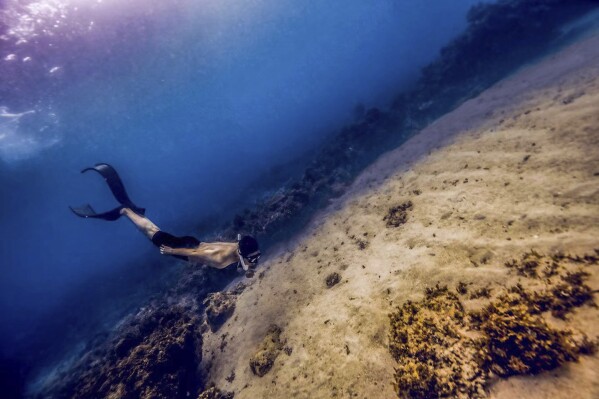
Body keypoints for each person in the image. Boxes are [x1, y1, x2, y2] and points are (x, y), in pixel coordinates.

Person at [69, 163, 260, 277]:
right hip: (186, 248)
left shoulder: (237, 246)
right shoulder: (219, 260)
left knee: (152, 227)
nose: (254, 261)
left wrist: (249, 268)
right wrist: (171, 251)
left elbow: (244, 255)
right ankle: (125, 212)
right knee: (150, 231)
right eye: (252, 259)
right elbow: (194, 255)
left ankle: (135, 213)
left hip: (194, 241)